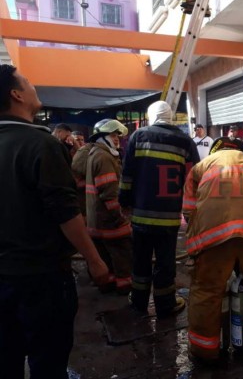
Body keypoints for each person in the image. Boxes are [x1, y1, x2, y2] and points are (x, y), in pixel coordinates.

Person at [0, 64, 109, 378]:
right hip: (40, 278)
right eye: (28, 82)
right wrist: (94, 259)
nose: (35, 88)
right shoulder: (41, 144)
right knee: (47, 361)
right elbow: (64, 211)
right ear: (16, 94)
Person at [183, 136, 243, 364]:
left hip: (212, 234)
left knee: (207, 290)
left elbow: (188, 210)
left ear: (215, 149)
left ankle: (204, 352)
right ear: (242, 151)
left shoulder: (200, 167)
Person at [119, 101, 200, 318]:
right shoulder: (185, 141)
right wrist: (190, 212)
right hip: (169, 218)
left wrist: (124, 202)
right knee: (165, 262)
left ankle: (138, 302)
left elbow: (127, 174)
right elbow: (193, 180)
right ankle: (166, 305)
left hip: (141, 215)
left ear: (151, 116)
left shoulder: (138, 136)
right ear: (171, 116)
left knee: (140, 260)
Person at [86, 119, 133, 295]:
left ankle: (108, 287)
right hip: (109, 221)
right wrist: (120, 218)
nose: (116, 140)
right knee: (123, 258)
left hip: (98, 220)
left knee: (107, 259)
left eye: (117, 136)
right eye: (113, 135)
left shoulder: (95, 153)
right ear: (102, 137)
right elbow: (109, 192)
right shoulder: (104, 157)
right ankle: (124, 290)